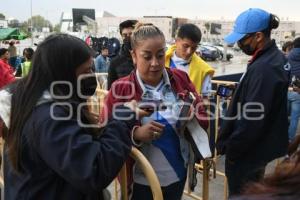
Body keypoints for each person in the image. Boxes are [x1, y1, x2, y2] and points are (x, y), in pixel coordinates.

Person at [0, 33, 143, 200]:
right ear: (63, 74)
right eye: (86, 70)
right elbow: (93, 170)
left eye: (92, 69)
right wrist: (124, 116)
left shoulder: (29, 101)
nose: (92, 76)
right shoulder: (49, 119)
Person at [101, 23, 209, 200]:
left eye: (160, 55)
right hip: (139, 180)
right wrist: (135, 135)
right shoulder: (120, 89)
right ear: (134, 56)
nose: (155, 63)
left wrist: (193, 116)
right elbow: (105, 133)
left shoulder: (181, 78)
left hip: (178, 172)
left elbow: (203, 114)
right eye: (147, 56)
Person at [216, 8, 290, 197]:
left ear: (258, 36)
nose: (239, 44)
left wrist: (233, 150)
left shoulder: (266, 68)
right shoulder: (272, 59)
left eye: (242, 39)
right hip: (256, 150)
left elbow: (252, 119)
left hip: (247, 154)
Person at [165, 23, 215, 95]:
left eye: (194, 48)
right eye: (185, 46)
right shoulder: (161, 61)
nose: (189, 51)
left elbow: (205, 99)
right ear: (176, 41)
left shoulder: (204, 70)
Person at [107, 19, 138, 89]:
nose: (128, 37)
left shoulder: (146, 58)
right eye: (125, 35)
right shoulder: (115, 62)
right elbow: (111, 90)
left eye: (131, 34)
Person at [287, 37, 300, 141]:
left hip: (287, 89)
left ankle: (279, 137)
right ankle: (290, 139)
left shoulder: (289, 55)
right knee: (295, 118)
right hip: (298, 91)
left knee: (284, 115)